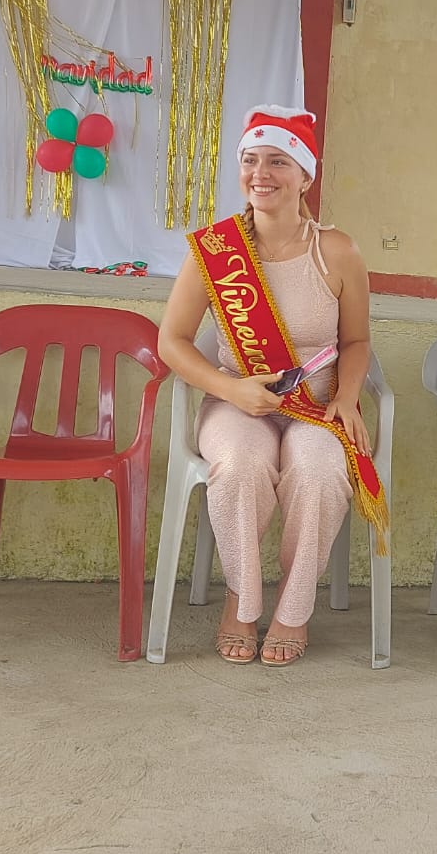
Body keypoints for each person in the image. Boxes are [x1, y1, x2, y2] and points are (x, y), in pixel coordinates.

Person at [158, 107, 377, 667]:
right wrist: (230, 391)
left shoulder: (338, 251)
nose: (261, 173)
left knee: (319, 471)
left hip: (316, 406)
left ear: (304, 176)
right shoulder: (215, 251)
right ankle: (242, 598)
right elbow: (172, 342)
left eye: (278, 161)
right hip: (236, 400)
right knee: (240, 465)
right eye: (251, 160)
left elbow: (356, 341)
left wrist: (346, 398)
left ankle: (293, 610)